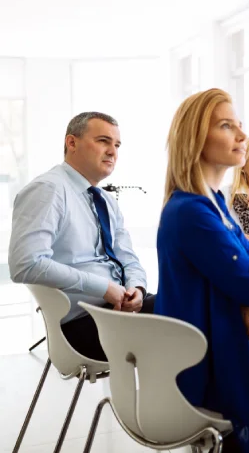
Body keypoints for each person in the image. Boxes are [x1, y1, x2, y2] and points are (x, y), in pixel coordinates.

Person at [155, 89, 249, 453]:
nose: (242, 136)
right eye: (227, 126)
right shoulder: (192, 212)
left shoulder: (211, 204)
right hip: (206, 370)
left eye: (240, 126)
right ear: (195, 138)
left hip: (213, 349)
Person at [9, 112, 151, 361]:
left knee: (200, 312)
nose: (113, 152)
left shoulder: (105, 200)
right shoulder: (48, 190)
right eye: (103, 141)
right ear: (71, 143)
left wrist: (136, 288)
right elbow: (25, 264)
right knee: (196, 321)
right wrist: (104, 288)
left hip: (117, 311)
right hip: (84, 323)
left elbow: (128, 256)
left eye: (116, 145)